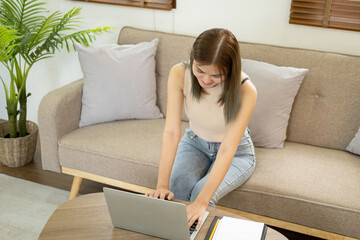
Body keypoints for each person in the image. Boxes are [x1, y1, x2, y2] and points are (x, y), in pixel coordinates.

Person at [146, 28, 257, 231]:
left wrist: (201, 202)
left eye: (216, 75)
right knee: (176, 187)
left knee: (200, 194)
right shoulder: (179, 73)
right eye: (200, 70)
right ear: (192, 55)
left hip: (237, 153)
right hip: (194, 143)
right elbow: (171, 132)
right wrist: (161, 186)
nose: (206, 80)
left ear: (231, 68)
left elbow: (227, 149)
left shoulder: (246, 90)